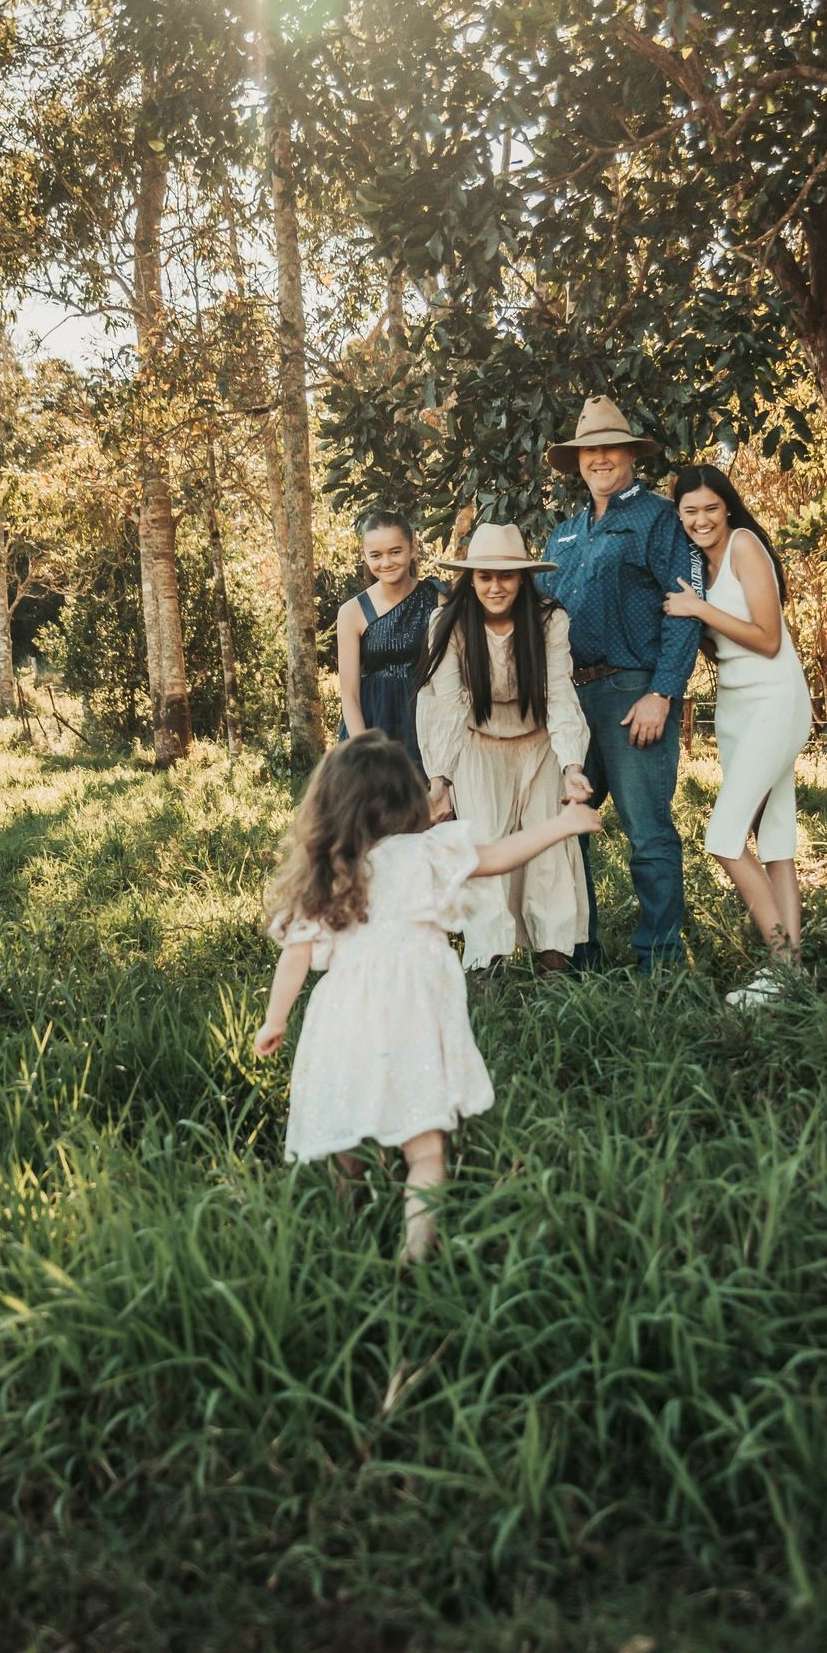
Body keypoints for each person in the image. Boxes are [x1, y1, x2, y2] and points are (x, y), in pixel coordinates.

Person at [255, 731, 602, 1261]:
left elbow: (296, 955)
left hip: (345, 1019)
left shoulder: (330, 872)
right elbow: (499, 856)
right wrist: (563, 823)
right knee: (426, 1151)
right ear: (407, 798)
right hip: (413, 1017)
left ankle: (345, 1238)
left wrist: (274, 1020)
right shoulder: (429, 852)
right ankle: (415, 1260)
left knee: (345, 1142)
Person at [540, 395, 703, 974]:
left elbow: (687, 606)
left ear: (630, 455)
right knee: (564, 829)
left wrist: (663, 691)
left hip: (634, 694)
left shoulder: (660, 519)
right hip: (570, 699)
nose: (600, 458)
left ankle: (659, 963)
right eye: (589, 450)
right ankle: (577, 953)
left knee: (648, 833)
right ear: (577, 461)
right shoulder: (563, 536)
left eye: (611, 447)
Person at [664, 466, 814, 1009]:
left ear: (727, 507)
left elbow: (770, 640)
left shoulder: (746, 545)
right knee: (775, 836)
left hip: (776, 699)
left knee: (723, 837)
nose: (701, 520)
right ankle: (793, 975)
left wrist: (699, 609)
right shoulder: (695, 567)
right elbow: (721, 644)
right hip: (735, 707)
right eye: (689, 511)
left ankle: (781, 965)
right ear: (677, 515)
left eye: (710, 508)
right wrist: (694, 613)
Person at [414, 522, 594, 973]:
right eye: (484, 576)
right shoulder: (448, 621)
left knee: (548, 850)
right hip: (477, 744)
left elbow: (559, 692)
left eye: (506, 576)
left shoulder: (549, 618)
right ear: (470, 579)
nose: (495, 587)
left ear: (523, 578)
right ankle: (487, 960)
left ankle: (554, 958)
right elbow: (447, 704)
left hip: (539, 744)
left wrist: (572, 764)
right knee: (485, 843)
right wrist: (441, 780)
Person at [336, 508, 441, 771]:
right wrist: (363, 749)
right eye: (376, 555)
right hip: (372, 723)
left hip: (423, 723)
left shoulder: (438, 601)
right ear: (364, 556)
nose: (386, 562)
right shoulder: (352, 612)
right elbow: (349, 693)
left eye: (395, 551)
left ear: (412, 548)